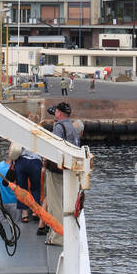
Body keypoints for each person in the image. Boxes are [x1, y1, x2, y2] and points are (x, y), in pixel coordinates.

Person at [40, 101, 81, 247]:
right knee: (66, 202)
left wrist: (45, 161)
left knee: (55, 203)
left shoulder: (58, 127)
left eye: (56, 112)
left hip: (56, 170)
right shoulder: (73, 127)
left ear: (59, 113)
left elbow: (54, 147)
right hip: (68, 170)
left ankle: (57, 237)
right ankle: (66, 233)